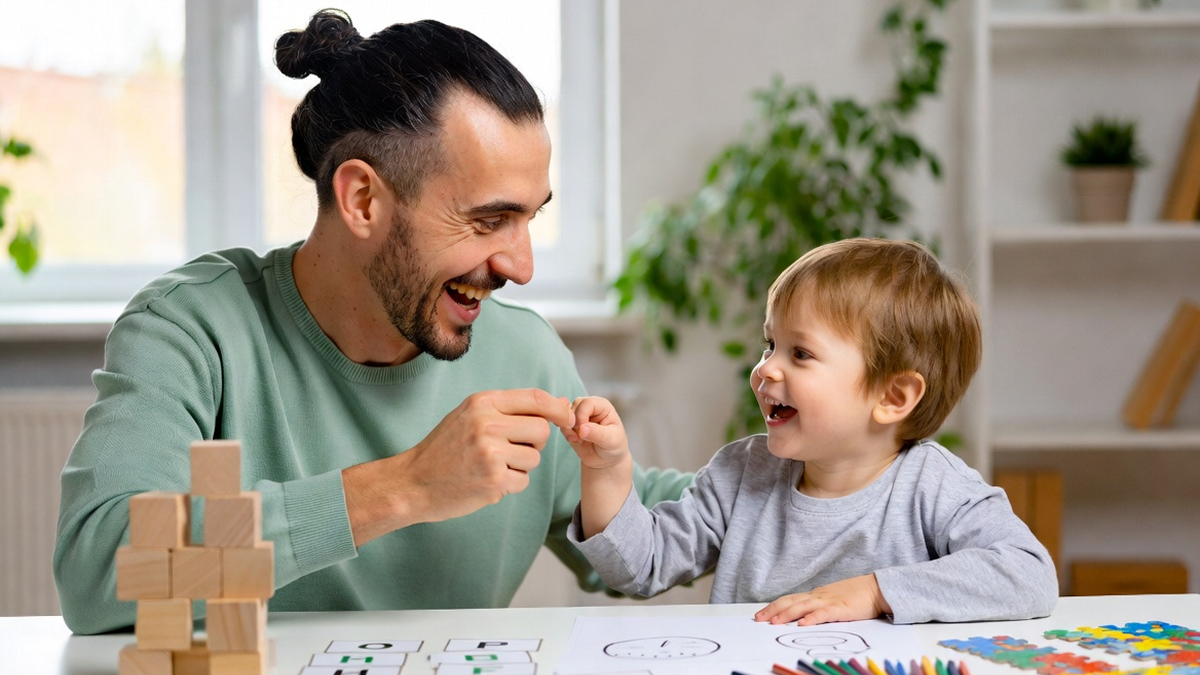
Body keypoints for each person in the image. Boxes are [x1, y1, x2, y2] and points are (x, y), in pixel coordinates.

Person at [53, 10, 690, 635]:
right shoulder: (193, 330)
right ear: (362, 200)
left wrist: (792, 500)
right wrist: (403, 487)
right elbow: (102, 570)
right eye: (488, 220)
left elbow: (646, 527)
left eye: (531, 219)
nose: (520, 267)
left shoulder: (525, 353)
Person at [561, 237, 1059, 625]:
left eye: (800, 353)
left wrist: (874, 591)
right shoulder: (742, 474)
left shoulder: (935, 486)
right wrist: (606, 471)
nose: (765, 370)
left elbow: (1029, 574)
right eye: (769, 344)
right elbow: (639, 568)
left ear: (892, 398)